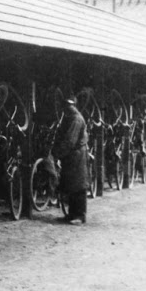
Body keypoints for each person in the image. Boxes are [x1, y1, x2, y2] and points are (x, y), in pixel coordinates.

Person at [53, 93, 89, 224]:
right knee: (72, 185)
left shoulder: (76, 119)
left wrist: (58, 153)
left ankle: (80, 215)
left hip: (77, 156)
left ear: (72, 106)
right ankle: (72, 214)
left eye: (68, 106)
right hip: (73, 155)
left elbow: (70, 140)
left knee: (79, 186)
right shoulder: (71, 118)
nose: (66, 108)